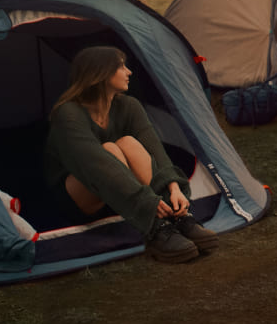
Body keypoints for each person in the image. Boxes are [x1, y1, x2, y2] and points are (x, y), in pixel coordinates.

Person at [44, 46, 218, 264]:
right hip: (79, 194)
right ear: (100, 73)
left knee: (128, 143)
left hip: (123, 192)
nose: (129, 72)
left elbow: (154, 148)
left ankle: (178, 216)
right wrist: (147, 203)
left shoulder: (128, 106)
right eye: (121, 66)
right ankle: (155, 228)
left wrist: (173, 187)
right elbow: (94, 164)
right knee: (108, 150)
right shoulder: (68, 113)